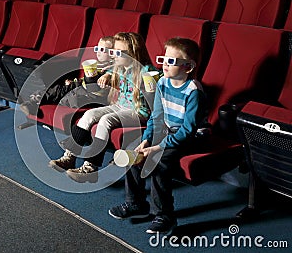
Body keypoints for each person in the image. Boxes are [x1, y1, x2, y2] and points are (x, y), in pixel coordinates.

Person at [108, 37, 209, 234]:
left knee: (158, 161)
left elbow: (187, 131)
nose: (163, 64)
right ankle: (135, 203)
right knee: (133, 153)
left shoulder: (193, 91)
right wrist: (146, 139)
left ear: (188, 67)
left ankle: (165, 215)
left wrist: (158, 147)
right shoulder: (162, 82)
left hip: (194, 137)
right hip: (169, 131)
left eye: (171, 61)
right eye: (163, 59)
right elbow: (156, 117)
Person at [49, 32, 160, 183]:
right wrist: (107, 75)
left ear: (133, 53)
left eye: (118, 53)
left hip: (138, 111)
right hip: (120, 106)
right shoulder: (119, 67)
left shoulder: (145, 70)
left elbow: (159, 79)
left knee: (105, 120)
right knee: (89, 115)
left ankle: (90, 167)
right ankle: (69, 156)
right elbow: (110, 69)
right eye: (113, 52)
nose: (114, 56)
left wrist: (152, 86)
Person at [19, 36, 115, 115]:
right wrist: (75, 82)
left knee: (73, 98)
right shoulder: (95, 63)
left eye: (102, 50)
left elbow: (115, 73)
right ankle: (32, 102)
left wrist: (107, 75)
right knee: (57, 89)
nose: (98, 52)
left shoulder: (112, 67)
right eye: (97, 48)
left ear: (112, 53)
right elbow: (85, 79)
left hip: (94, 95)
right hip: (81, 85)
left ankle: (39, 105)